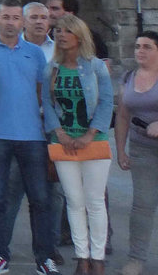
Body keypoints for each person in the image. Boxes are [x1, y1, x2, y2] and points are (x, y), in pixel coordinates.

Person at [0, 0, 58, 275]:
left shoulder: (35, 53)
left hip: (32, 135)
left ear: (21, 22)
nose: (11, 22)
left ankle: (45, 257)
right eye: (6, 17)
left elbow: (41, 92)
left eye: (15, 18)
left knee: (40, 198)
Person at [43, 14, 113, 275]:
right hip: (63, 142)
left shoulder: (96, 67)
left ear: (79, 36)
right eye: (58, 30)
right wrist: (59, 132)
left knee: (94, 201)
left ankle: (98, 258)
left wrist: (90, 134)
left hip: (93, 142)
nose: (60, 35)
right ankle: (81, 257)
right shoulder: (51, 68)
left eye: (67, 31)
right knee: (73, 200)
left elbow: (107, 102)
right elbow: (47, 105)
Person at [115, 32, 158, 275]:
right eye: (137, 47)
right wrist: (121, 149)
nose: (140, 51)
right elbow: (123, 116)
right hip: (143, 149)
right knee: (142, 205)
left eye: (147, 47)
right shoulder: (129, 77)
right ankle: (136, 259)